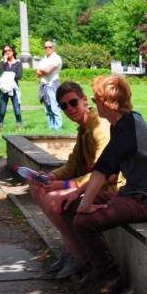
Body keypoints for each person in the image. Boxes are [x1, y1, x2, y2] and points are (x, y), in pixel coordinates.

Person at [60, 75, 147, 294]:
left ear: (106, 102)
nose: (93, 102)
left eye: (96, 98)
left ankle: (109, 276)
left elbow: (103, 170)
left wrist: (85, 205)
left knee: (83, 221)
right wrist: (78, 194)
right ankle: (92, 265)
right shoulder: (123, 124)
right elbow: (106, 167)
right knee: (69, 205)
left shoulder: (128, 128)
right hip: (134, 193)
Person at [28, 81, 117, 279]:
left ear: (84, 100)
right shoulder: (84, 128)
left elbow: (106, 172)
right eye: (63, 106)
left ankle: (81, 255)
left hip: (109, 187)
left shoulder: (99, 127)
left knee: (54, 200)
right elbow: (72, 165)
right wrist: (50, 177)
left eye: (73, 102)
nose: (69, 109)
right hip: (93, 184)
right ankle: (71, 248)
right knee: (38, 188)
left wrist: (66, 184)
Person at [0, 45, 23, 132]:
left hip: (14, 89)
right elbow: (1, 72)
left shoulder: (18, 63)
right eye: (5, 51)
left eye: (9, 50)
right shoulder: (2, 63)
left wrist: (7, 75)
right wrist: (4, 62)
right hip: (4, 89)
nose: (7, 52)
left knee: (17, 111)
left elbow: (19, 75)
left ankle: (19, 127)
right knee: (2, 111)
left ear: (13, 51)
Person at [37, 41, 63, 130]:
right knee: (47, 109)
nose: (48, 49)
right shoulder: (43, 59)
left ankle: (58, 128)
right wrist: (44, 71)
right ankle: (51, 128)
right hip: (43, 85)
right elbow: (38, 73)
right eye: (46, 47)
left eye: (50, 47)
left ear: (53, 48)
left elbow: (48, 70)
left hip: (52, 85)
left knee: (54, 108)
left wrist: (42, 70)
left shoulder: (56, 58)